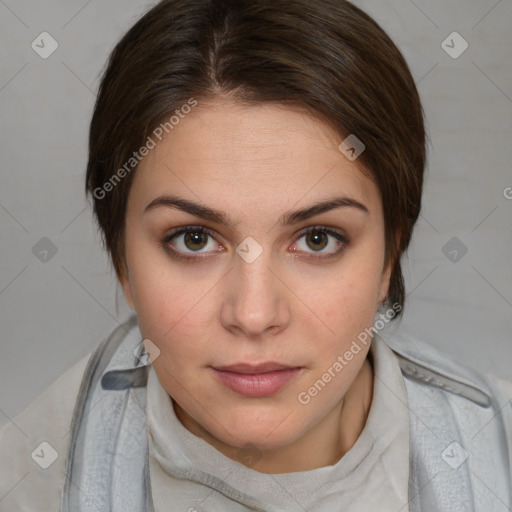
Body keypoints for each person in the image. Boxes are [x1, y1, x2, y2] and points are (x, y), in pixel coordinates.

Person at [1, 0, 511, 510]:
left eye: (317, 239)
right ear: (122, 261)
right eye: (194, 239)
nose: (254, 314)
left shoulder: (498, 455)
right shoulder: (33, 475)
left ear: (389, 255)